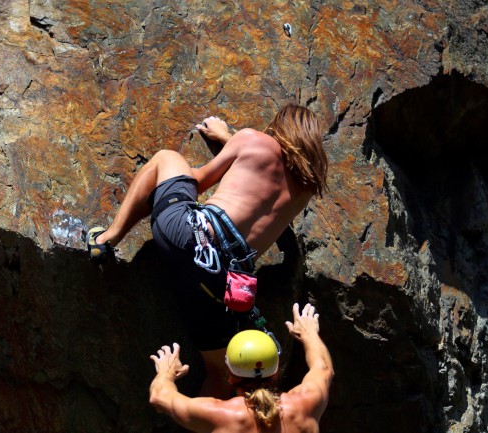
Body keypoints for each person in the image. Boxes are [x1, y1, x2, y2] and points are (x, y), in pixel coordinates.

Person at [87, 104, 328, 397]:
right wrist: (231, 142)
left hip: (187, 235)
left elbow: (197, 180)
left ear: (279, 127)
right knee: (221, 373)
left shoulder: (252, 140)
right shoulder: (306, 188)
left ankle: (107, 240)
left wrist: (230, 139)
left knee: (168, 159)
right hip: (224, 285)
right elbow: (273, 170)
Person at [149, 303, 334, 433]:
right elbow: (324, 368)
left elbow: (159, 397)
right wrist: (309, 334)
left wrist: (166, 374)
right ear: (276, 372)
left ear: (229, 374)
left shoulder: (219, 415)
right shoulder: (306, 404)